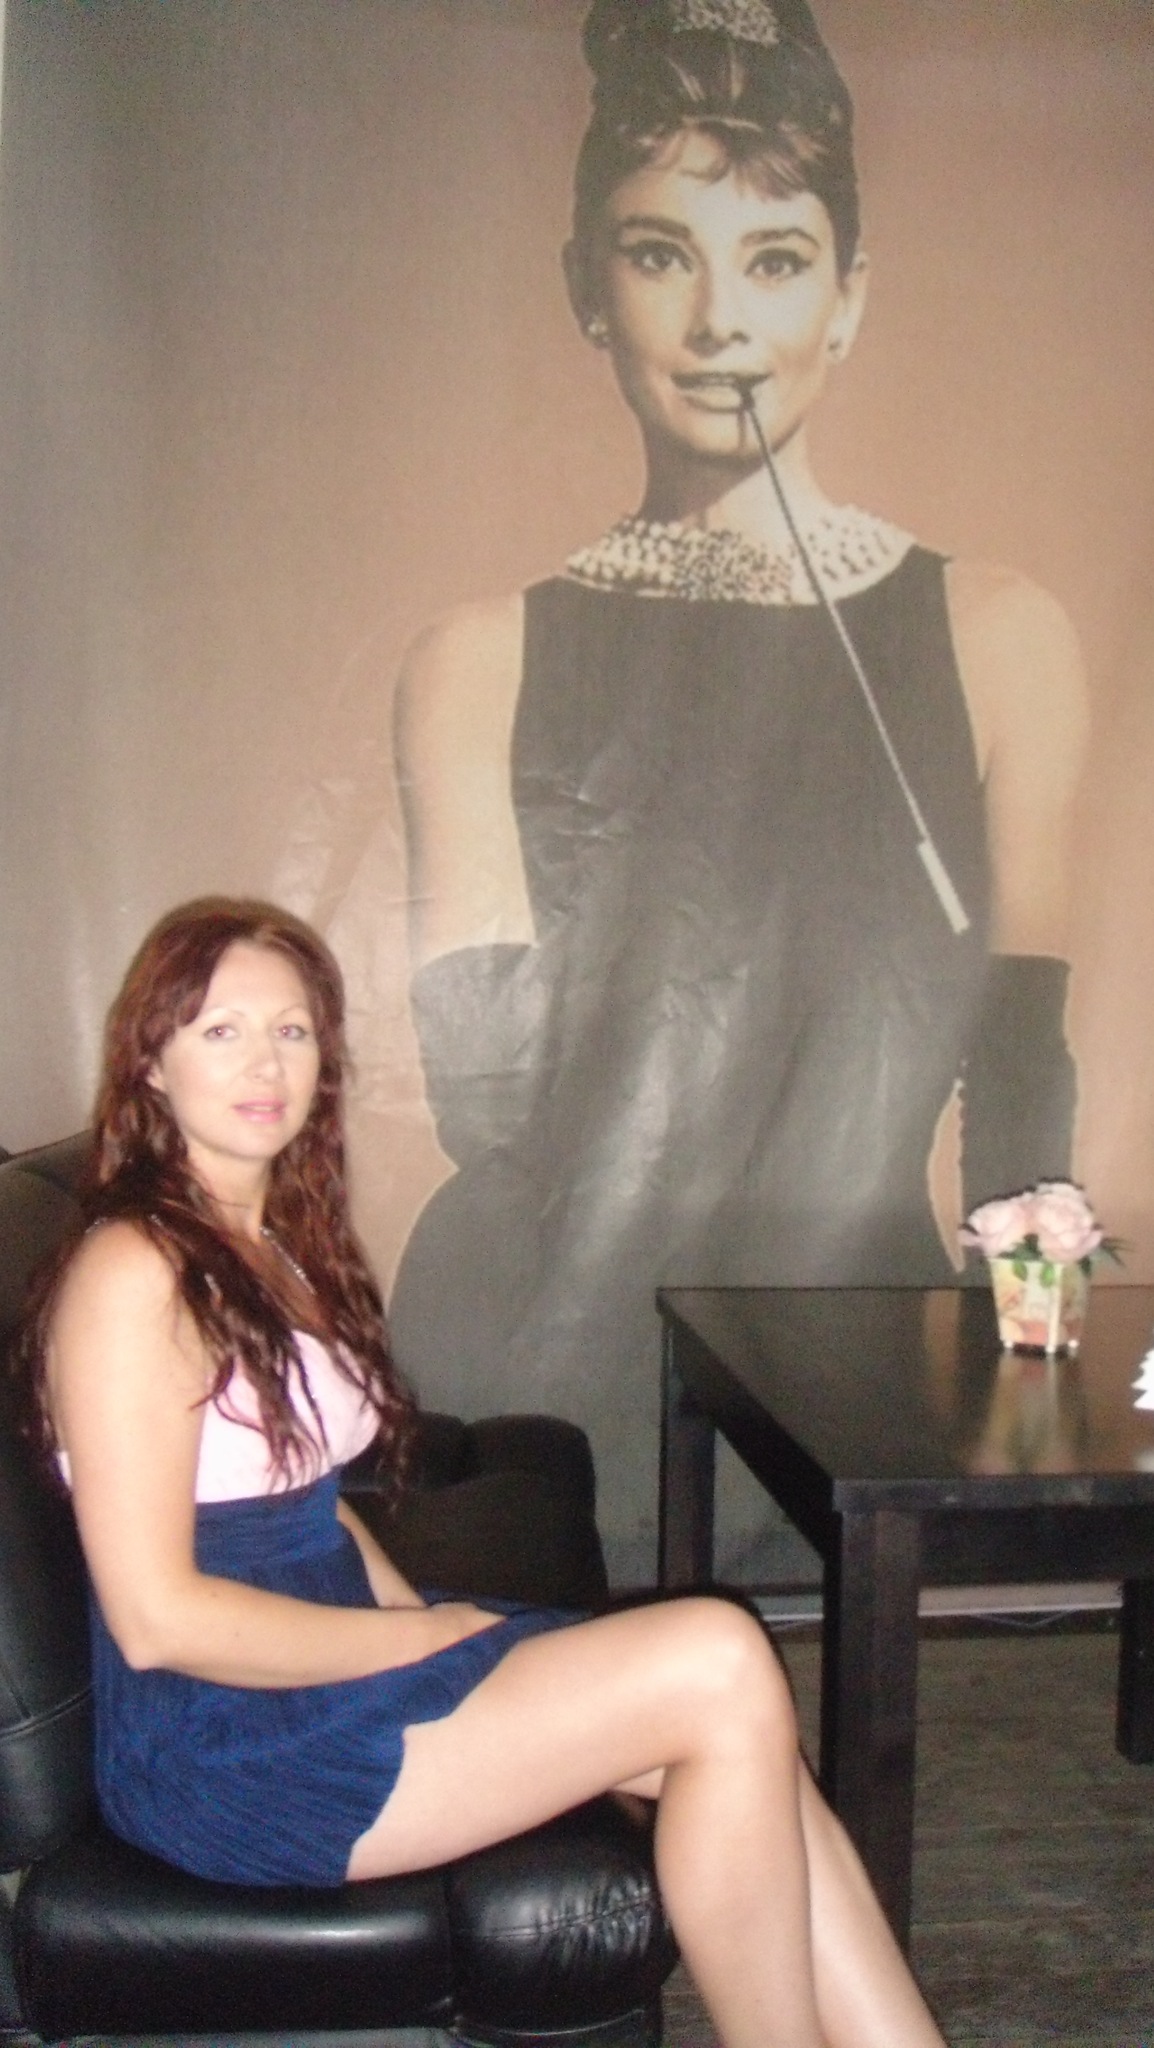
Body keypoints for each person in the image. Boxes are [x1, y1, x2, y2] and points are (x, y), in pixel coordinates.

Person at [387, 0, 1088, 1581]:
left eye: (773, 258)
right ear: (585, 286)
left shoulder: (997, 637)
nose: (718, 323)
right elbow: (491, 1105)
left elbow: (1017, 1090)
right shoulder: (474, 662)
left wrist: (1031, 1398)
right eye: (659, 254)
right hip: (548, 1371)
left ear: (848, 296)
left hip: (849, 1375)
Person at [19, 893, 947, 2048]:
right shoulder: (134, 1270)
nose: (265, 1061)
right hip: (228, 1747)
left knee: (747, 1725)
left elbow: (305, 1507)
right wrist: (414, 1640)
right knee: (716, 1659)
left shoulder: (261, 1242)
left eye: (292, 1029)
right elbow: (159, 1619)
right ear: (150, 1061)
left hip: (321, 1672)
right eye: (221, 1029)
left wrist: (417, 1620)